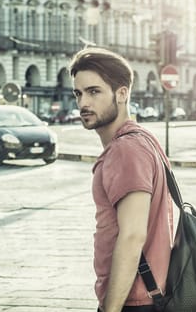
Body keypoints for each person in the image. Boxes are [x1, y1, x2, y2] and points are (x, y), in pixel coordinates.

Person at [68, 47, 176, 312]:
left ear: (122, 93)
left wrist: (110, 308)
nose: (83, 103)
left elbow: (132, 235)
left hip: (134, 300)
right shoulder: (143, 138)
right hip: (146, 295)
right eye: (78, 93)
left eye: (94, 92)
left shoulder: (125, 149)